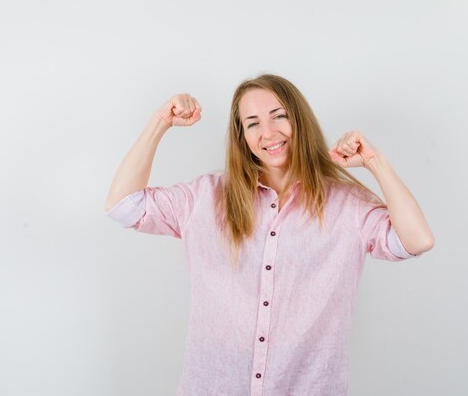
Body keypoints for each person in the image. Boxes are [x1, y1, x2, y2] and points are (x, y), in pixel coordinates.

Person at [104, 74, 434, 396]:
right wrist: (160, 121)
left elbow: (416, 241)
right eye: (252, 123)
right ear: (242, 136)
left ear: (299, 120)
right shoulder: (204, 197)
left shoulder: (347, 204)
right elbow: (123, 206)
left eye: (279, 116)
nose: (268, 133)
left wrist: (375, 162)